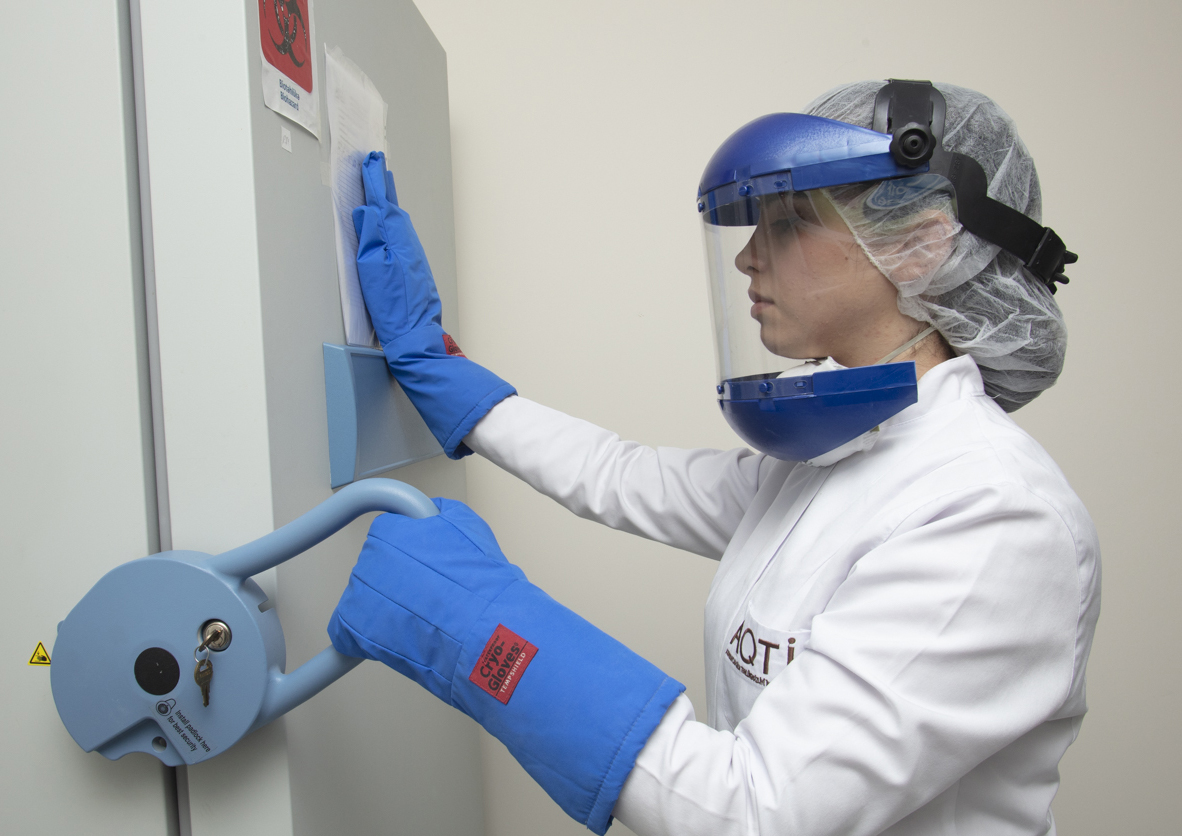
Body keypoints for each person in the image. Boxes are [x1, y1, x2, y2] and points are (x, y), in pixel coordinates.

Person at [328, 80, 1099, 836]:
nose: (748, 257)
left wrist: (481, 628)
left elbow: (754, 813)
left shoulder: (992, 514)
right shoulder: (845, 456)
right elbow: (621, 477)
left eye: (790, 222)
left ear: (922, 243)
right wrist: (442, 373)